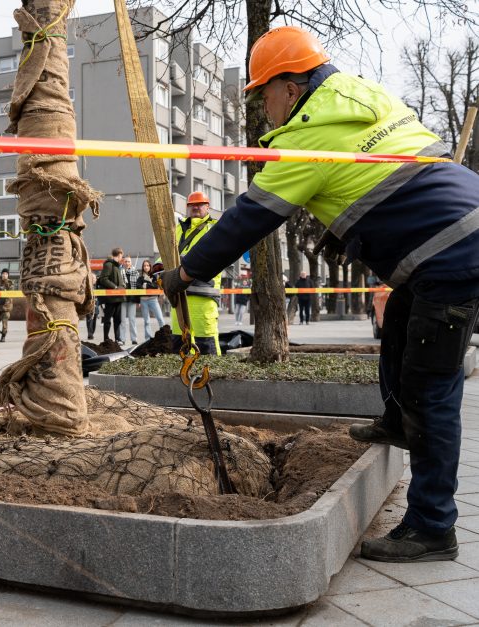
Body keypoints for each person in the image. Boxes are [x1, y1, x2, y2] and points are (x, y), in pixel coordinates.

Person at [160, 26, 479, 563]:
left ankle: (432, 527)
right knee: (398, 324)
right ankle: (398, 418)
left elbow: (250, 218)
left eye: (264, 92)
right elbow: (384, 176)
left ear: (291, 85)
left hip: (449, 257)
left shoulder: (306, 138)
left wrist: (187, 271)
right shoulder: (363, 94)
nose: (264, 107)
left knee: (434, 391)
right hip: (457, 234)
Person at [171, 191, 221, 354]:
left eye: (199, 204)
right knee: (180, 342)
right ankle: (182, 377)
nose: (195, 208)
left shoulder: (213, 227)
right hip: (179, 295)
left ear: (208, 207)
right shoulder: (179, 228)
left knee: (205, 341)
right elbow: (168, 252)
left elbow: (213, 254)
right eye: (192, 205)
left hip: (203, 295)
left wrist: (185, 261)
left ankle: (212, 376)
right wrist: (158, 267)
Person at [97, 248, 126, 344]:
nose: (122, 257)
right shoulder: (109, 265)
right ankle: (106, 339)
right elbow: (103, 279)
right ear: (119, 254)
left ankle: (118, 339)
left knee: (118, 320)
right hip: (110, 298)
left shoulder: (117, 266)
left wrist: (122, 287)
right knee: (107, 319)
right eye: (122, 255)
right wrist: (115, 287)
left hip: (119, 297)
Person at [137, 259, 166, 340]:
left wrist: (145, 285)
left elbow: (155, 286)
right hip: (143, 300)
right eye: (144, 266)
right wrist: (150, 285)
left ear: (150, 267)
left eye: (147, 265)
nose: (146, 267)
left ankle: (164, 336)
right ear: (143, 267)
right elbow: (138, 286)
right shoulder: (140, 278)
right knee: (147, 321)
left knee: (160, 318)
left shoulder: (154, 276)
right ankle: (148, 339)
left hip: (153, 300)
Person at [120, 256, 140, 345]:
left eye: (128, 261)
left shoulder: (135, 272)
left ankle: (134, 338)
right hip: (122, 299)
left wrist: (138, 300)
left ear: (131, 263)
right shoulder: (119, 271)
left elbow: (138, 287)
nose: (127, 263)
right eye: (125, 261)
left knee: (132, 320)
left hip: (132, 299)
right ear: (123, 262)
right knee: (122, 320)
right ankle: (122, 339)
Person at [0, 269, 14, 342]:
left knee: (4, 323)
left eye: (6, 274)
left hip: (6, 307)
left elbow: (10, 293)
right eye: (3, 273)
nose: (4, 275)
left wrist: (5, 283)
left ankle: (3, 336)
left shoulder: (10, 283)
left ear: (8, 275)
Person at [85, 271, 99, 340]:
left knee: (94, 319)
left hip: (96, 305)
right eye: (92, 278)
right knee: (89, 319)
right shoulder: (87, 286)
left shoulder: (98, 287)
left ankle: (92, 332)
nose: (93, 279)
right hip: (89, 305)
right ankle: (90, 334)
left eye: (94, 278)